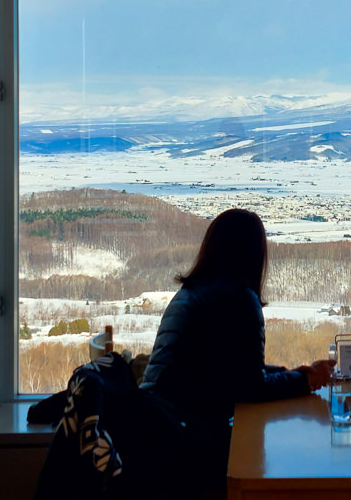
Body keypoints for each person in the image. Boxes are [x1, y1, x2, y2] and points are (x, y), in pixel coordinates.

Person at [140, 208, 334, 491]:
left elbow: (230, 371)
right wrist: (305, 379)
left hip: (157, 431)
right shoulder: (238, 299)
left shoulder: (193, 292)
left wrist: (291, 374)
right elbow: (249, 386)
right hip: (185, 445)